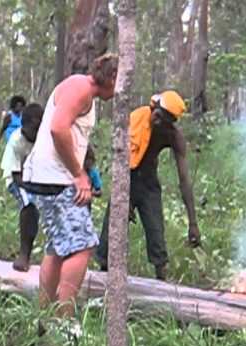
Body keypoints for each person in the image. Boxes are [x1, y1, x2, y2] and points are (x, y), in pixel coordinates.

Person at [22, 53, 118, 319]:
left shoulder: (85, 92)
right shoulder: (80, 88)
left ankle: (44, 316)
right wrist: (79, 175)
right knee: (83, 245)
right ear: (111, 77)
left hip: (47, 177)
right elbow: (58, 128)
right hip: (56, 178)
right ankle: (64, 321)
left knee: (58, 246)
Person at [96, 90, 201, 280]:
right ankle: (102, 283)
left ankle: (162, 287)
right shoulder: (136, 118)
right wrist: (122, 195)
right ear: (153, 108)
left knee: (156, 235)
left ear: (171, 124)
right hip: (125, 178)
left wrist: (193, 223)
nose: (157, 121)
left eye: (163, 121)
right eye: (157, 115)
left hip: (149, 184)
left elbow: (184, 180)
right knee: (110, 235)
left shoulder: (173, 136)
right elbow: (119, 156)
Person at [0, 103, 44, 272]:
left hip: (37, 180)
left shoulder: (45, 139)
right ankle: (24, 254)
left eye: (35, 130)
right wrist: (35, 189)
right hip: (17, 179)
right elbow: (16, 175)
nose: (31, 134)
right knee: (29, 205)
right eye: (29, 129)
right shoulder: (16, 140)